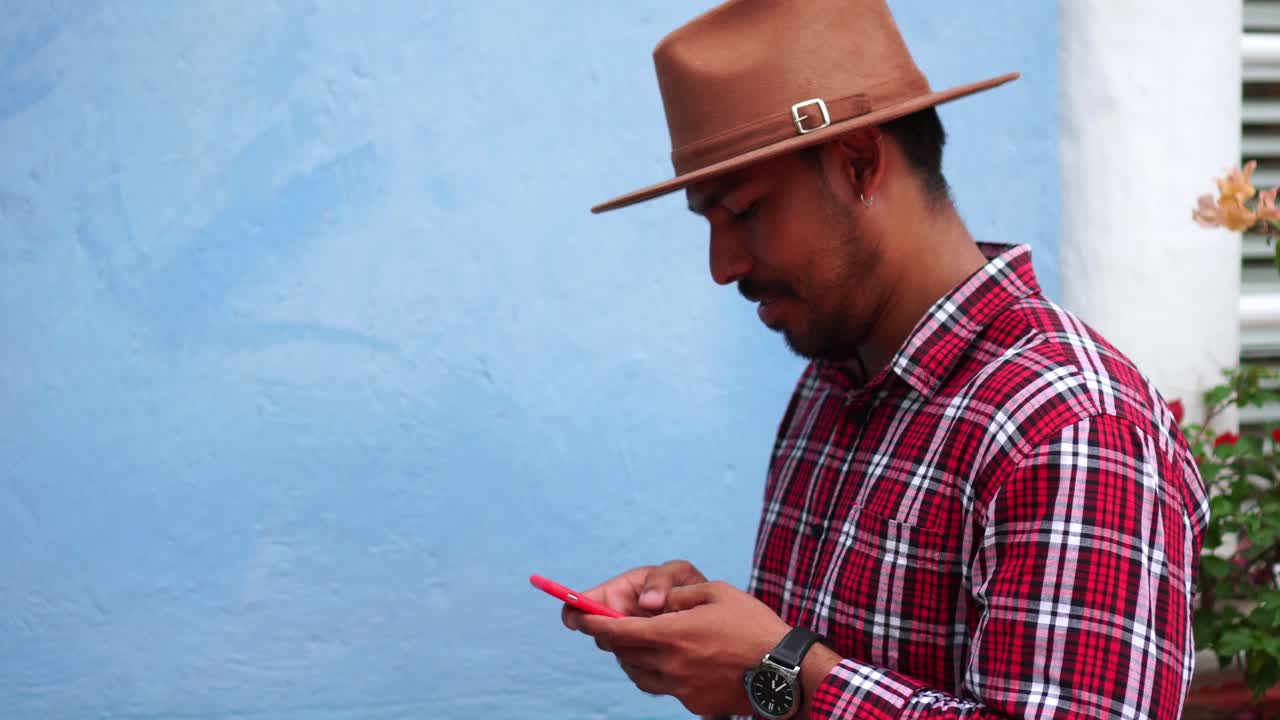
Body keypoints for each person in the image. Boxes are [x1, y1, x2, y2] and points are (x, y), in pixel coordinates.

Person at [563, 1, 1210, 718]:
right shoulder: (830, 387)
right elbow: (793, 672)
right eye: (710, 222)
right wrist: (713, 643)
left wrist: (779, 667)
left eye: (744, 212)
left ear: (861, 164)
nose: (722, 266)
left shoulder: (1071, 426)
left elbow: (791, 672)